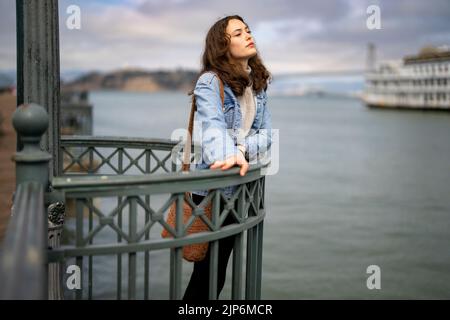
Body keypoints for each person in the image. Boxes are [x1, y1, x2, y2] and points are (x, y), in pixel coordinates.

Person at [183, 15, 272, 300]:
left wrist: (242, 151)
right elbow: (213, 130)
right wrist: (230, 153)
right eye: (238, 33)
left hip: (237, 189)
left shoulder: (256, 84)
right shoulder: (210, 82)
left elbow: (267, 134)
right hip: (212, 189)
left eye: (247, 30)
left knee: (216, 276)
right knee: (207, 276)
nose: (248, 35)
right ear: (222, 44)